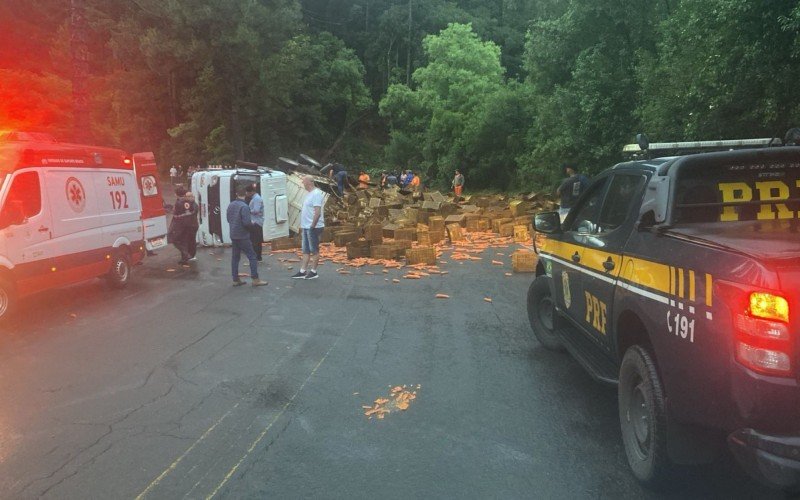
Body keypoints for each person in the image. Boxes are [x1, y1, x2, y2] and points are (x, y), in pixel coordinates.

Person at [227, 188, 268, 287]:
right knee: (252, 256)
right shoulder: (244, 206)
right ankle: (255, 279)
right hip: (242, 235)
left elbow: (228, 218)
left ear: (236, 194)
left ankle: (235, 279)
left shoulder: (231, 205)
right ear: (245, 194)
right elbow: (246, 222)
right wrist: (252, 226)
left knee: (235, 257)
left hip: (233, 233)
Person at [291, 176, 325, 280]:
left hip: (313, 227)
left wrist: (312, 226)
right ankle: (303, 271)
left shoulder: (316, 194)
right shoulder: (309, 194)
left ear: (309, 183)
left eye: (304, 182)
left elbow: (317, 212)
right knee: (305, 250)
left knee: (314, 250)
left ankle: (314, 271)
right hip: (306, 227)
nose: (303, 183)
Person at [246, 184, 264, 262]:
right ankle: (258, 257)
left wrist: (248, 211)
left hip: (256, 222)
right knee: (257, 240)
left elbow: (256, 210)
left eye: (248, 193)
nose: (248, 195)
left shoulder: (256, 199)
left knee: (255, 240)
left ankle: (256, 257)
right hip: (256, 221)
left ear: (252, 192)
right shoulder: (256, 198)